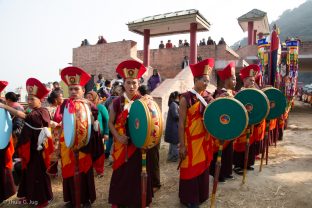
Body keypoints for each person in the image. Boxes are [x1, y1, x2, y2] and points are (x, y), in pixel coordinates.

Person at [0, 78, 53, 207]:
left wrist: (4, 106)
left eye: (32, 99)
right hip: (29, 149)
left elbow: (25, 116)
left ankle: (42, 199)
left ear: (40, 100)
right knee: (28, 173)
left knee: (37, 175)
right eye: (28, 98)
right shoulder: (33, 110)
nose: (29, 102)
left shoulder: (42, 112)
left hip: (37, 150)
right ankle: (28, 196)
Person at [108, 60, 153, 207]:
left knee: (138, 173)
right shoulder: (117, 102)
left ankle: (138, 201)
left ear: (138, 83)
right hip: (122, 144)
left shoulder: (144, 101)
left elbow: (152, 122)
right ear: (123, 84)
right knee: (121, 174)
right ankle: (120, 201)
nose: (131, 86)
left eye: (134, 83)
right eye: (128, 83)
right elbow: (110, 122)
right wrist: (118, 137)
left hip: (139, 144)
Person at [178, 59, 215, 208]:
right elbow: (181, 123)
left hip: (204, 140)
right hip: (190, 141)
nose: (206, 83)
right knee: (190, 169)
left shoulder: (209, 97)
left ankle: (201, 195)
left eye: (208, 80)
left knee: (203, 169)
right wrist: (181, 145)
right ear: (196, 80)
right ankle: (190, 198)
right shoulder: (185, 98)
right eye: (204, 80)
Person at [59, 66, 96, 207]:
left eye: (76, 89)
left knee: (84, 171)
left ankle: (85, 200)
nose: (73, 92)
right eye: (71, 89)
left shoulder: (89, 105)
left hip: (83, 145)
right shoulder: (65, 104)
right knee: (68, 171)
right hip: (67, 144)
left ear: (83, 90)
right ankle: (72, 199)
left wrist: (90, 109)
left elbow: (95, 125)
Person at [210, 62, 236, 182]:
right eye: (234, 79)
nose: (235, 81)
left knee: (228, 152)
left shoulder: (233, 94)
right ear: (226, 80)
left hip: (230, 126)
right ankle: (219, 174)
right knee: (221, 152)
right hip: (221, 126)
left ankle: (227, 171)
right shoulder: (219, 94)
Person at [233, 64, 260, 175]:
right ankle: (238, 165)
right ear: (244, 81)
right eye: (250, 80)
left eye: (254, 80)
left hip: (252, 123)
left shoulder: (255, 94)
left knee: (251, 143)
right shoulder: (239, 93)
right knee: (241, 145)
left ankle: (248, 163)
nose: (253, 82)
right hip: (242, 124)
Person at [86, 91, 109, 177]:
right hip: (88, 134)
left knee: (99, 151)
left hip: (99, 134)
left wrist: (106, 133)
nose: (88, 99)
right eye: (87, 97)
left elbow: (107, 120)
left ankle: (100, 170)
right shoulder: (84, 108)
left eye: (90, 97)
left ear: (95, 98)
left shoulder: (101, 107)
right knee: (89, 151)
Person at [0, 81, 16, 204]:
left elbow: (5, 125)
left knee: (4, 167)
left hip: (2, 143)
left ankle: (5, 194)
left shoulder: (2, 107)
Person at [46, 89, 64, 177]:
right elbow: (46, 121)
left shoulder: (64, 108)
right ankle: (53, 172)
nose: (63, 98)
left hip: (64, 133)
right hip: (54, 134)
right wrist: (57, 124)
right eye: (61, 96)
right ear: (56, 99)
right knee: (54, 153)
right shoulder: (48, 109)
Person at [165, 91, 180, 162]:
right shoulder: (174, 104)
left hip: (173, 126)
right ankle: (174, 156)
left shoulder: (173, 104)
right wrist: (182, 115)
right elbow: (175, 115)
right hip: (173, 127)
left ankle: (170, 156)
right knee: (174, 142)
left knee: (172, 142)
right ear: (177, 97)